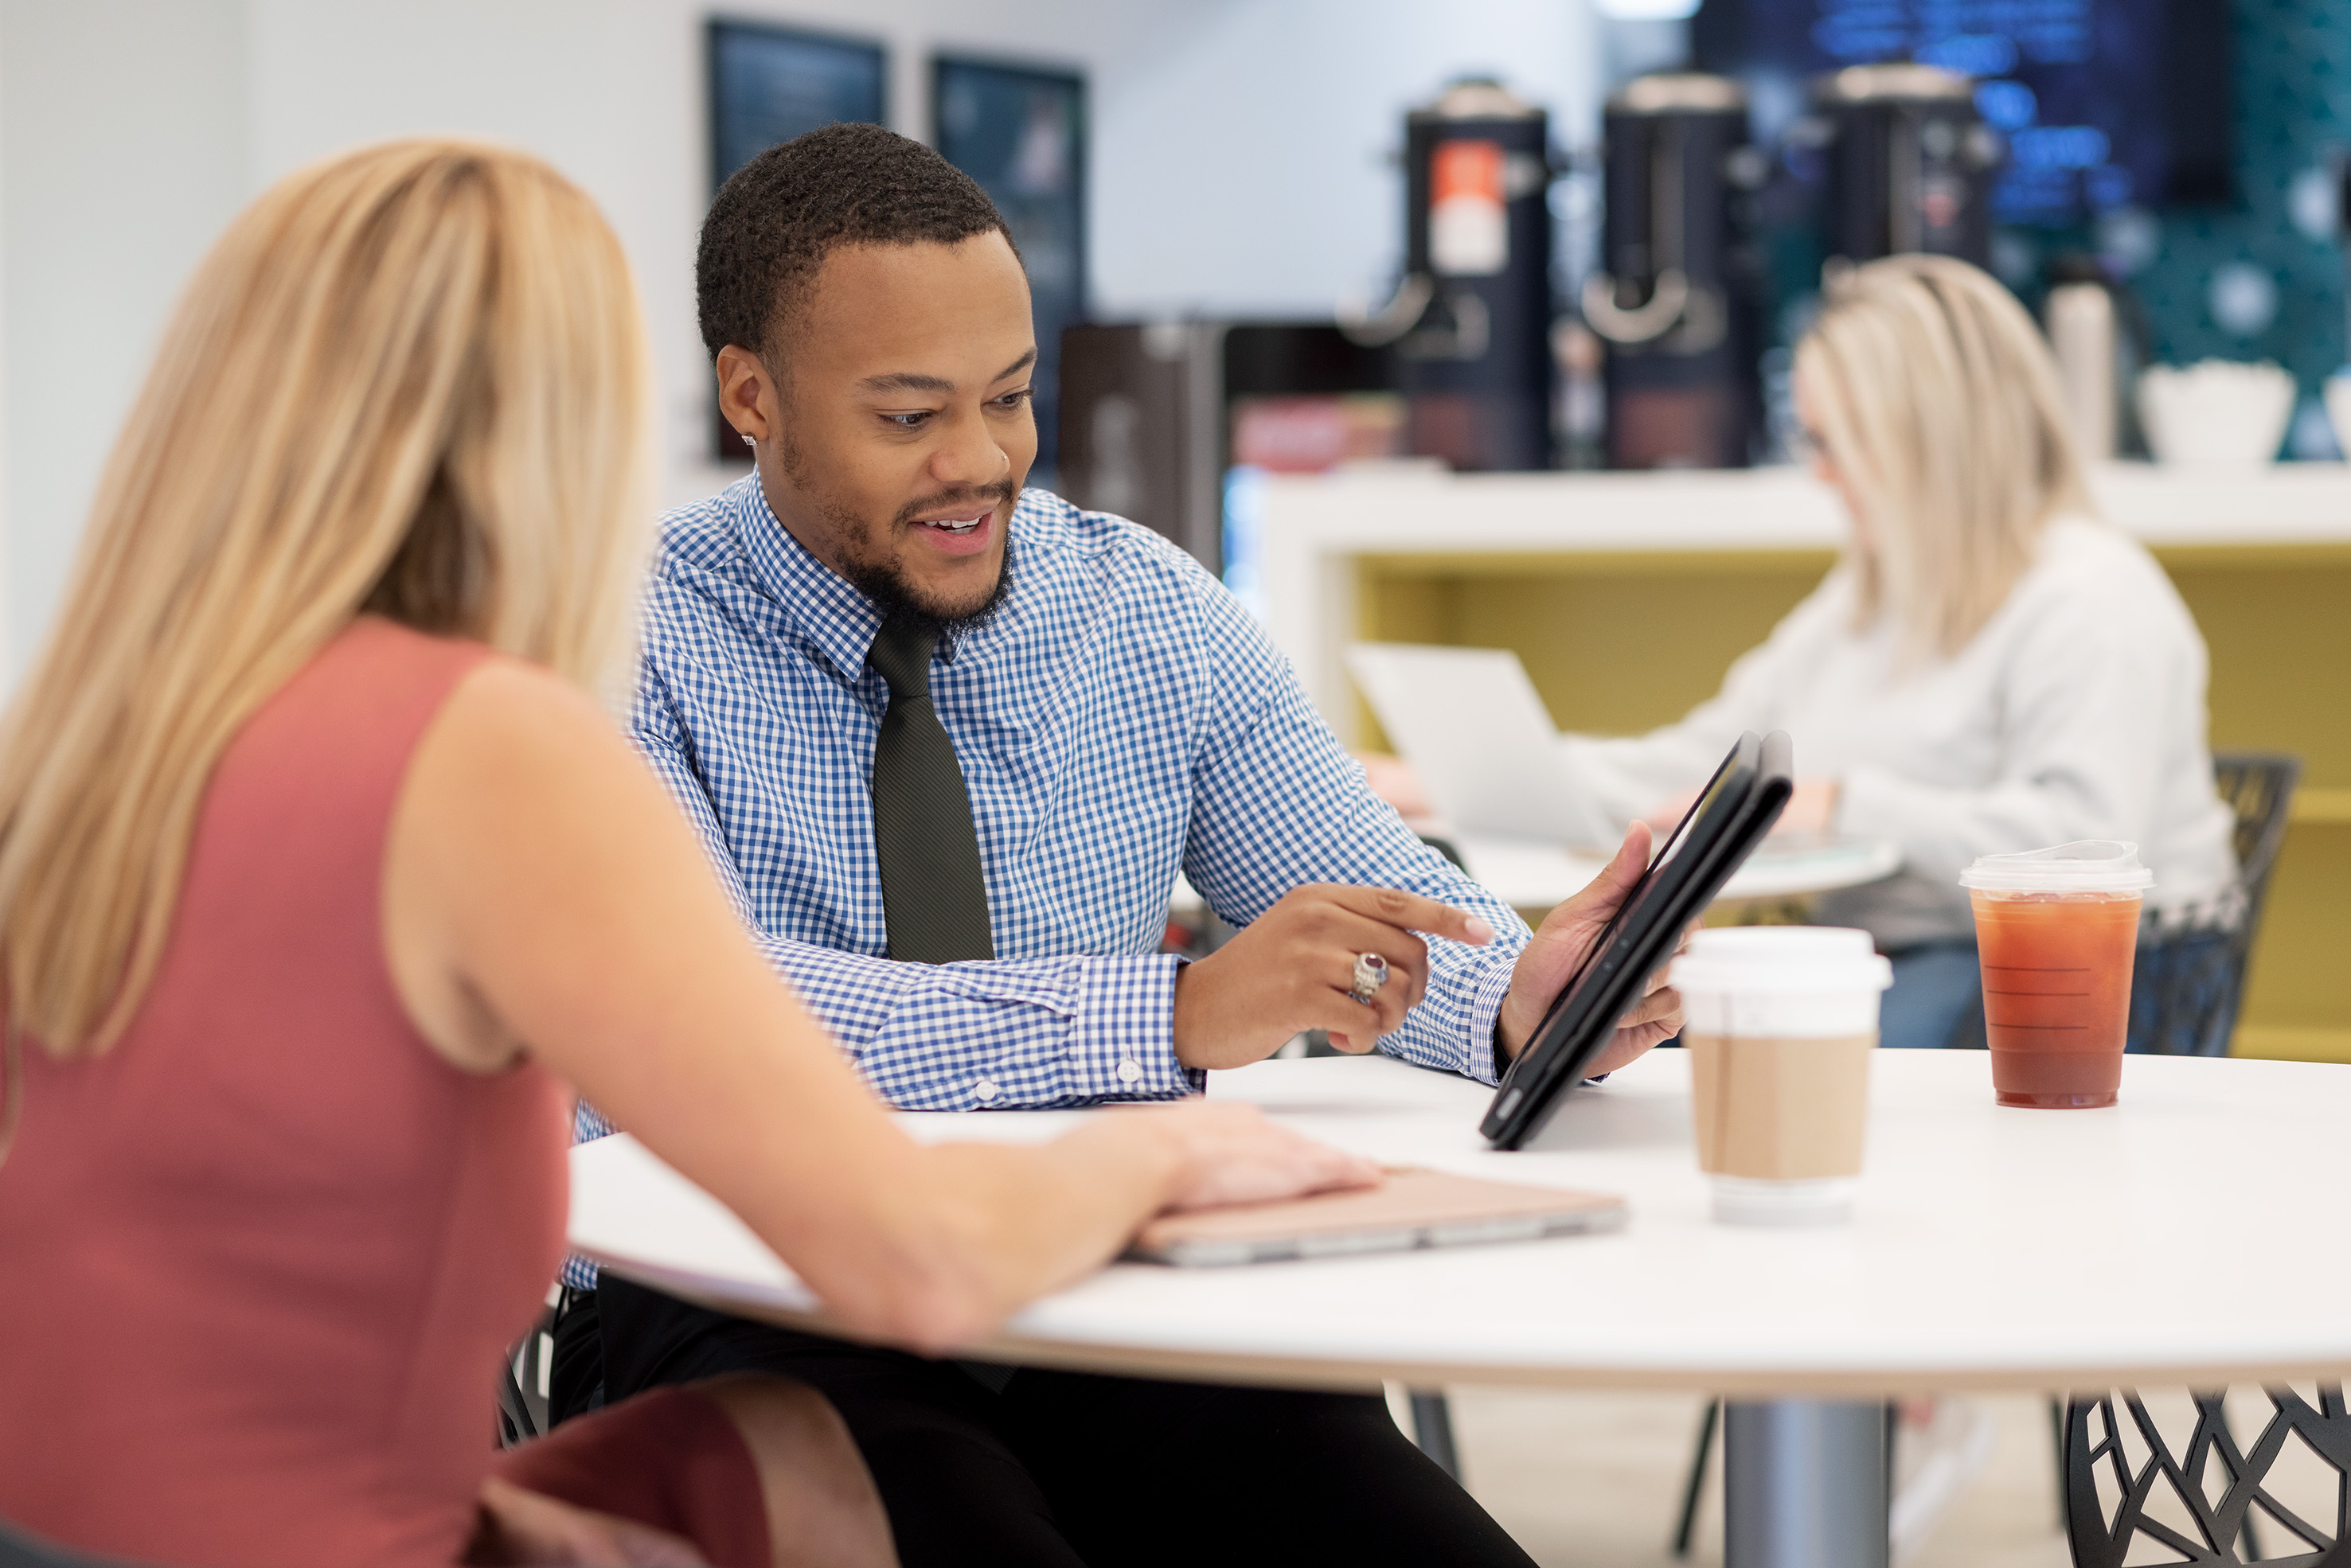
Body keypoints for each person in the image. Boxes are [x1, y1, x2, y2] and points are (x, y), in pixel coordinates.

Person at [0, 139, 1389, 1568]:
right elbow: (916, 1256)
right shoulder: (494, 746)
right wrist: (1165, 1146)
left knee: (802, 1455)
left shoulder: (81, 752)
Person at [553, 123, 1685, 1568]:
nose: (979, 462)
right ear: (751, 397)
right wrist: (1175, 1011)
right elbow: (704, 1024)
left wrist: (1523, 997)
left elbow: (1365, 901)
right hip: (743, 1287)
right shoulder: (614, 639)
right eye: (908, 416)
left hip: (1098, 1271)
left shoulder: (1143, 612)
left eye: (1009, 397)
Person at [1549, 254, 2236, 1051]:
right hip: (1897, 954)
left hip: (2070, 980)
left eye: (1834, 442)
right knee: (1624, 1028)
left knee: (1731, 1051)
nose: (1818, 474)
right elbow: (1709, 765)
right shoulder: (1872, 591)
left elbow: (2084, 848)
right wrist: (1502, 774)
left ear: (1928, 439)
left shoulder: (2089, 595)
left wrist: (1844, 805)